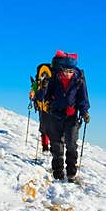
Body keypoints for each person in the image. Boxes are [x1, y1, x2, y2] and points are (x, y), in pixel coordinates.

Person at [34, 50, 90, 182]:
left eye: (70, 71)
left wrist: (84, 112)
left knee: (71, 143)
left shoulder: (79, 79)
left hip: (71, 116)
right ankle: (57, 172)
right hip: (55, 115)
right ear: (61, 69)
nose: (68, 74)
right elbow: (44, 96)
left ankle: (71, 172)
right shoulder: (54, 78)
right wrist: (44, 94)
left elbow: (83, 97)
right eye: (65, 71)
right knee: (56, 144)